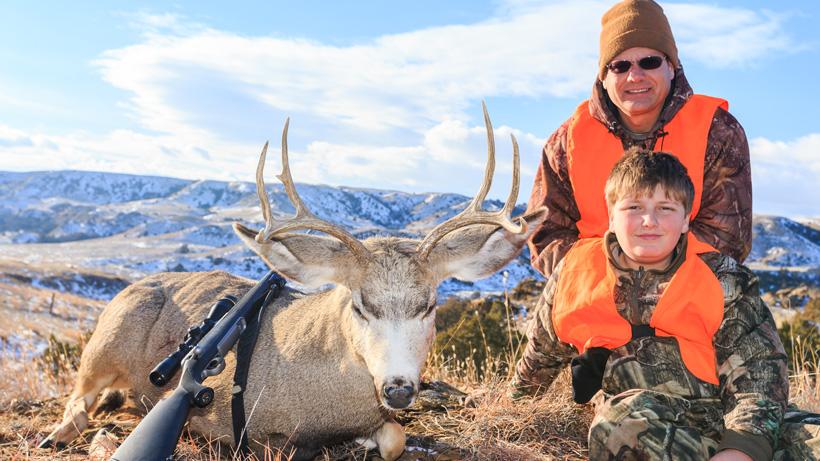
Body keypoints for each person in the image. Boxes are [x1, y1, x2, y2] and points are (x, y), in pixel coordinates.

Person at [511, 148, 819, 460]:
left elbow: (761, 378)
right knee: (622, 426)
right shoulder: (573, 273)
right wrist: (508, 417)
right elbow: (536, 364)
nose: (649, 221)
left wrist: (741, 449)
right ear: (611, 215)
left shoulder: (724, 279)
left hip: (727, 424)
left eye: (665, 208)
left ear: (686, 219)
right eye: (633, 207)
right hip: (641, 428)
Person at [524, 0, 752, 282]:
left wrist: (653, 277)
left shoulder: (717, 130)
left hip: (689, 294)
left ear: (671, 67)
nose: (635, 76)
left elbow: (727, 236)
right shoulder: (564, 143)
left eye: (650, 62)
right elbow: (546, 236)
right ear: (604, 77)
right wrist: (612, 278)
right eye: (620, 66)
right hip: (593, 296)